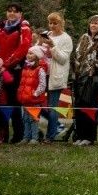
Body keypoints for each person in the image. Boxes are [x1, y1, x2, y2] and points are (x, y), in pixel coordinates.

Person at [0, 1, 32, 143]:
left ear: (20, 14)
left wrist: (6, 65)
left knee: (14, 102)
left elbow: (23, 48)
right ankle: (1, 133)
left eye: (15, 11)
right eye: (9, 10)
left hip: (14, 70)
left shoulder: (24, 28)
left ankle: (18, 134)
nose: (12, 13)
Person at [70, 15, 98, 146]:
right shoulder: (84, 37)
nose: (93, 25)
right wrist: (76, 70)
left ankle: (89, 137)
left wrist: (91, 68)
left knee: (89, 107)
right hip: (79, 76)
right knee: (79, 106)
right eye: (92, 23)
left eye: (97, 23)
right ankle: (79, 135)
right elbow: (77, 55)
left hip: (93, 77)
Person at [39, 12, 72, 142]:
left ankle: (50, 135)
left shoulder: (66, 38)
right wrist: (39, 45)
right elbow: (38, 53)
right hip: (42, 73)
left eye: (55, 23)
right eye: (50, 23)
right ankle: (39, 132)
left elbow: (63, 59)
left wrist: (52, 46)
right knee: (38, 105)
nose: (52, 26)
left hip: (55, 75)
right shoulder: (47, 34)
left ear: (61, 23)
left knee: (53, 106)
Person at [17, 46, 48, 143]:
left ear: (37, 56)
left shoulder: (40, 69)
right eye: (28, 53)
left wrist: (35, 94)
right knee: (25, 119)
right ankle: (26, 137)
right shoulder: (25, 68)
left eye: (31, 53)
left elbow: (42, 84)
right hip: (25, 99)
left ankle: (34, 138)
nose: (28, 55)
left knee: (33, 119)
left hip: (34, 99)